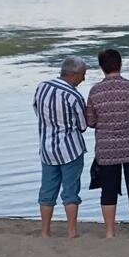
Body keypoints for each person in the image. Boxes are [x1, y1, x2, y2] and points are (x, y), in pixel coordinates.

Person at [85, 48, 129, 239]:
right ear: (120, 64)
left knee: (108, 189)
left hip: (106, 148)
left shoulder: (95, 91)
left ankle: (109, 232)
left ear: (101, 68)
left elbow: (90, 121)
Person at [33, 56, 88, 238]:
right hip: (70, 149)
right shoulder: (74, 96)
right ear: (74, 74)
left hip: (47, 147)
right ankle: (72, 232)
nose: (84, 79)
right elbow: (82, 125)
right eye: (83, 74)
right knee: (71, 191)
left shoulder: (42, 87)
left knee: (47, 189)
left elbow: (36, 110)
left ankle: (45, 231)